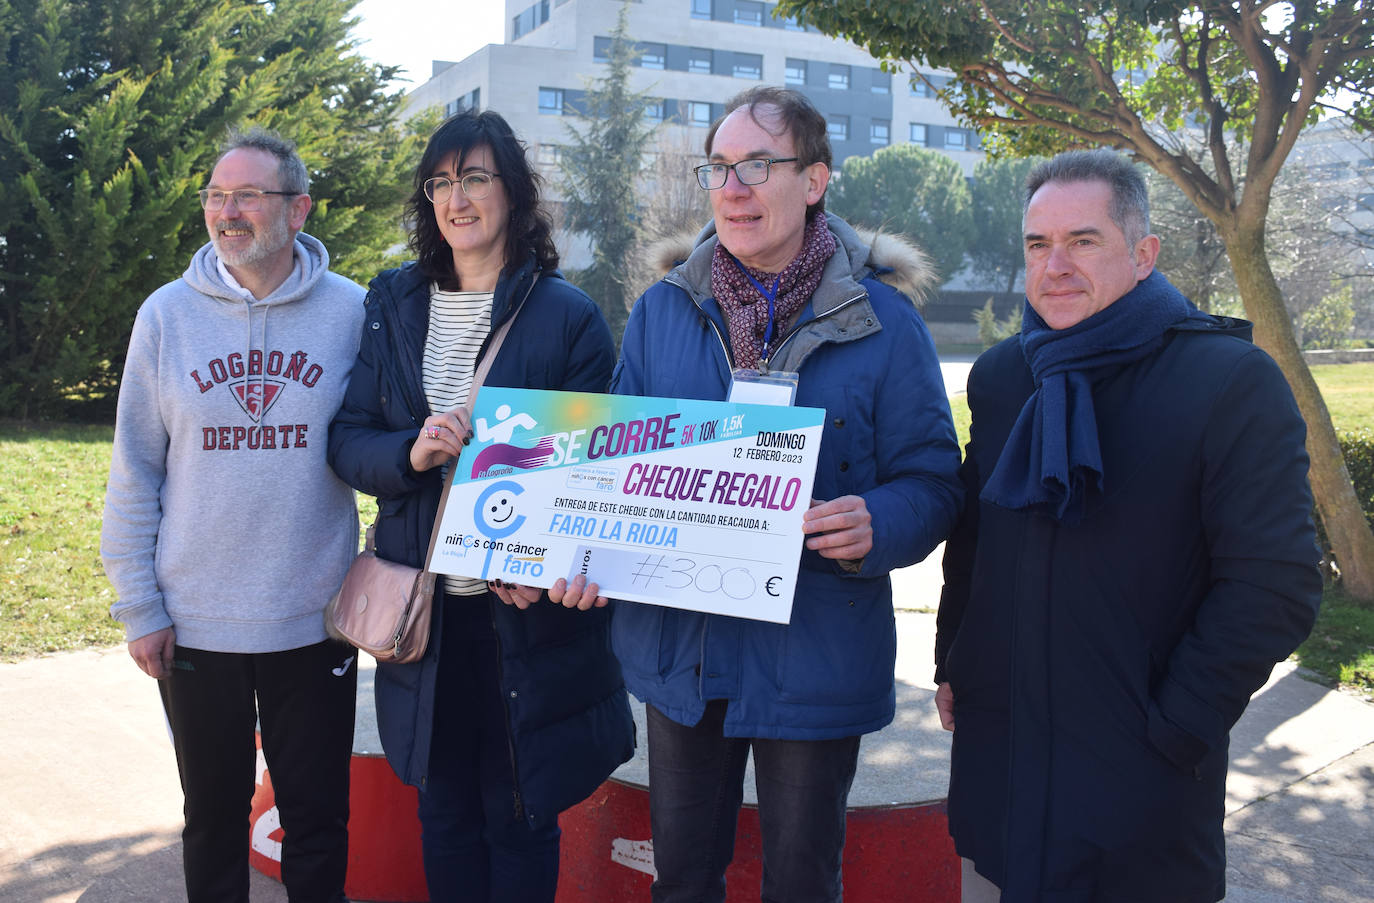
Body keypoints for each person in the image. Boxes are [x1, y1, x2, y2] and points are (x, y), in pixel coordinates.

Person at [549, 86, 963, 902]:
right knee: (684, 880)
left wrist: (880, 520)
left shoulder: (885, 321)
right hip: (683, 655)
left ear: (815, 181)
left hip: (813, 654)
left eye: (758, 165)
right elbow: (611, 469)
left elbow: (936, 479)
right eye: (720, 167)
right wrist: (581, 552)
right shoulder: (662, 313)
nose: (733, 188)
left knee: (803, 882)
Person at [934, 149, 1322, 902]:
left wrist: (1177, 724)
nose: (1056, 265)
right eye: (1038, 245)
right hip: (1001, 771)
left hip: (1138, 791)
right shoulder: (1006, 375)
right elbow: (975, 537)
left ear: (1144, 254)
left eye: (1083, 241)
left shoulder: (1231, 381)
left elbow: (1275, 585)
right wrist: (958, 655)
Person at [326, 110, 635, 903]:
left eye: (474, 178)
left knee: (519, 815)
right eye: (440, 182)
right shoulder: (393, 302)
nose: (455, 198)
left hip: (522, 623)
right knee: (446, 814)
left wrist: (541, 556)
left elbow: (593, 464)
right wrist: (410, 453)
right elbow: (348, 438)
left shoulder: (566, 314)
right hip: (427, 614)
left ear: (513, 192)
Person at [101, 128, 364, 903]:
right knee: (211, 821)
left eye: (249, 194)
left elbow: (381, 445)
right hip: (196, 621)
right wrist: (139, 606)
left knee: (319, 821)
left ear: (298, 208)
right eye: (217, 194)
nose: (228, 210)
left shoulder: (352, 311)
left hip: (314, 619)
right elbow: (134, 469)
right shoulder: (166, 316)